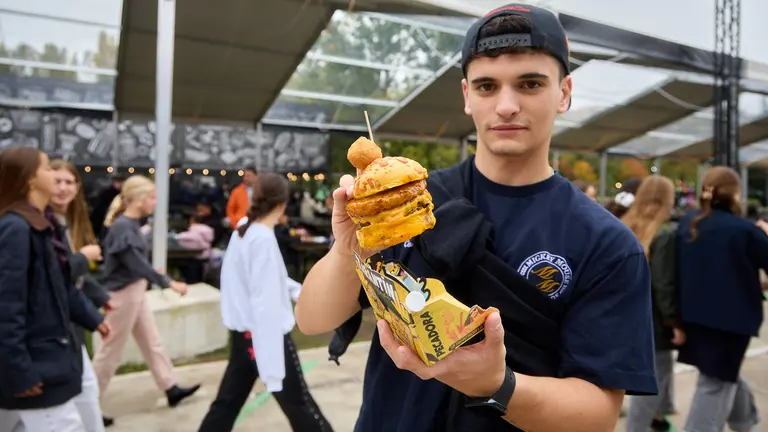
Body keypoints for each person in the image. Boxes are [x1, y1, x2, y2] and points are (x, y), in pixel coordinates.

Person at [296, 4, 656, 432]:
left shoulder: (607, 244)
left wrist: (497, 385)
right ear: (467, 95)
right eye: (487, 85)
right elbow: (313, 321)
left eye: (530, 84)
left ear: (564, 92)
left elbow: (597, 416)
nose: (506, 105)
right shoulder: (403, 200)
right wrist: (347, 247)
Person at [198, 173, 331, 432]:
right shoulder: (261, 237)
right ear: (282, 204)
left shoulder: (246, 229)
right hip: (263, 334)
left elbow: (271, 282)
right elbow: (266, 298)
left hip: (246, 332)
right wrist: (269, 342)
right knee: (299, 404)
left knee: (228, 403)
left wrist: (302, 292)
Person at [0, 148, 109, 432]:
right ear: (29, 180)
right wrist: (19, 370)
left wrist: (93, 318)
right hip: (36, 362)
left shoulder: (37, 224)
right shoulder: (16, 228)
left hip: (48, 355)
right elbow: (7, 306)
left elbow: (58, 285)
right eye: (47, 168)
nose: (56, 176)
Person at [91, 175, 200, 424]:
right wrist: (169, 283)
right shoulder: (123, 227)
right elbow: (137, 265)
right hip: (123, 295)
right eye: (152, 197)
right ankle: (89, 403)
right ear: (139, 199)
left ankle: (170, 387)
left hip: (134, 292)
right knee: (110, 352)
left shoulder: (128, 225)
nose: (154, 202)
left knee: (152, 343)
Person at [676, 166, 765, 432]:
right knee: (714, 386)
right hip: (731, 322)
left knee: (722, 375)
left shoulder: (688, 223)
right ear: (736, 194)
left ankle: (743, 422)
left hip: (693, 316)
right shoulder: (745, 231)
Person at [50, 159, 113, 431]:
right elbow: (52, 273)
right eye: (57, 181)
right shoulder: (38, 223)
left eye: (69, 182)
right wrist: (82, 257)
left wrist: (98, 299)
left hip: (71, 324)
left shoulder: (70, 221)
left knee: (86, 390)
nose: (63, 188)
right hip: (53, 328)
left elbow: (71, 278)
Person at [620, 176, 683, 432]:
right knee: (656, 376)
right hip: (653, 320)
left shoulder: (623, 226)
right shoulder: (665, 234)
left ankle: (659, 419)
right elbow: (663, 284)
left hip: (624, 315)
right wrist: (674, 321)